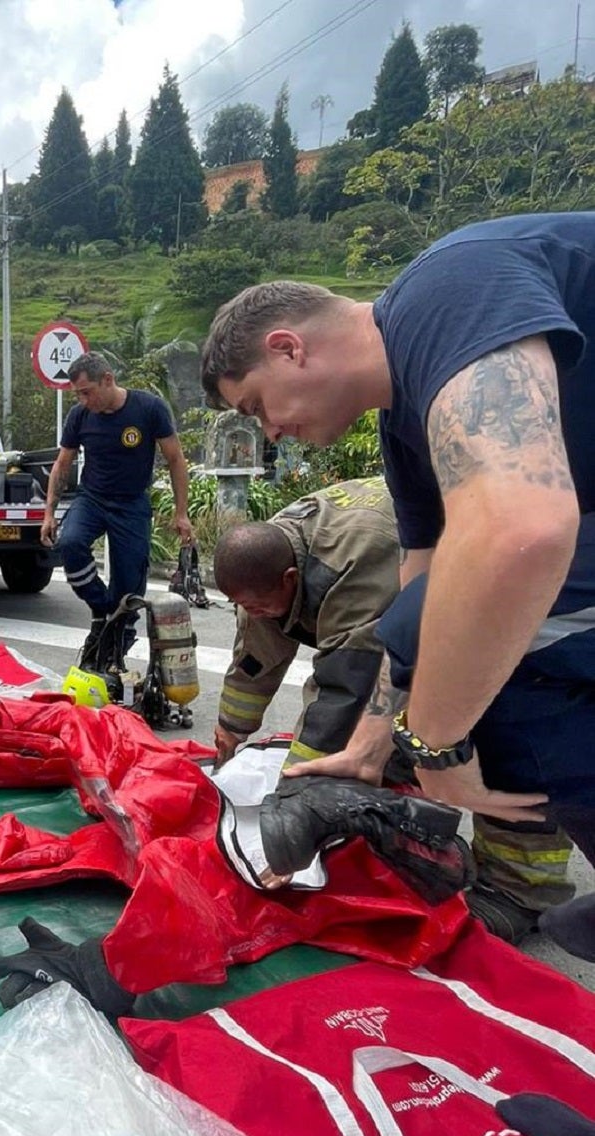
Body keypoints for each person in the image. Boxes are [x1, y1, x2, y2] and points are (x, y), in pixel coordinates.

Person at [199, 212, 595, 957]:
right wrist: (375, 746)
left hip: (571, 534)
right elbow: (417, 597)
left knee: (484, 663)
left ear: (288, 348)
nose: (270, 432)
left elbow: (525, 528)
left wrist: (436, 747)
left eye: (257, 406)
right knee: (434, 633)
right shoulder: (404, 422)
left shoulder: (446, 289)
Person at [212, 476, 574, 941]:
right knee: (385, 745)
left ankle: (521, 893)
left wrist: (295, 807)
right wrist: (230, 726)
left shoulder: (351, 565)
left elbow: (349, 688)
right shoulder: (266, 558)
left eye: (260, 604)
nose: (255, 611)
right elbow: (256, 652)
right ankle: (392, 836)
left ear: (289, 580)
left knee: (507, 741)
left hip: (511, 602)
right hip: (433, 606)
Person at [40, 352, 193, 667]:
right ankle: (101, 608)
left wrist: (181, 513)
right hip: (92, 498)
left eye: (87, 391)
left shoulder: (149, 408)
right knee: (70, 544)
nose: (83, 400)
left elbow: (176, 459)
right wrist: (48, 514)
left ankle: (114, 648)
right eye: (78, 394)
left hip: (131, 504)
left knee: (130, 585)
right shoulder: (80, 416)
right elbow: (62, 463)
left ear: (107, 379)